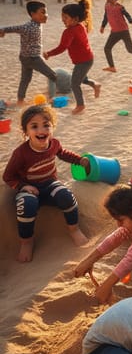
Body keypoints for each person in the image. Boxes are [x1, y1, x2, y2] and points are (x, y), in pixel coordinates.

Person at [3, 104, 90, 262]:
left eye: (46, 125)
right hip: (29, 189)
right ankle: (27, 242)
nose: (41, 130)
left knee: (66, 196)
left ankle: (74, 230)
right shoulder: (21, 153)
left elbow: (63, 154)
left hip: (50, 185)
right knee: (26, 205)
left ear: (52, 127)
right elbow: (8, 176)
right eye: (34, 126)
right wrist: (24, 187)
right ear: (26, 132)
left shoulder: (54, 144)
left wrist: (79, 160)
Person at [44, 0, 101, 114]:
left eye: (65, 18)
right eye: (62, 17)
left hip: (83, 61)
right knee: (81, 78)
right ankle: (95, 84)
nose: (62, 20)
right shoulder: (81, 26)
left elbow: (62, 47)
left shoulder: (69, 31)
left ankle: (80, 105)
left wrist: (49, 54)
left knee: (74, 83)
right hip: (88, 58)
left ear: (75, 19)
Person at [0, 0, 57, 106]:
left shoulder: (37, 24)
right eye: (43, 12)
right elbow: (15, 28)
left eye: (46, 12)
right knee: (52, 75)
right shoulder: (28, 27)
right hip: (32, 58)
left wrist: (3, 31)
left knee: (25, 79)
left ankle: (20, 100)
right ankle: (52, 99)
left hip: (25, 57)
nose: (46, 15)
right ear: (33, 14)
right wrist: (3, 30)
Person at [99, 0, 132, 72]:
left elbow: (127, 15)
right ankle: (112, 67)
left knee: (130, 49)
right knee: (107, 48)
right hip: (114, 32)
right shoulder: (106, 5)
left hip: (124, 31)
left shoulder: (120, 7)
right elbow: (106, 16)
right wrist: (103, 26)